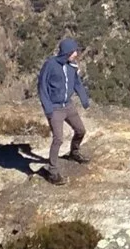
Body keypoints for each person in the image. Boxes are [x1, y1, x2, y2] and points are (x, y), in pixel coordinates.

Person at [36, 37, 92, 185]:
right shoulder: (50, 65)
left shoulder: (72, 66)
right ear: (67, 52)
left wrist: (84, 99)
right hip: (55, 108)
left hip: (68, 105)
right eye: (74, 51)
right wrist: (48, 109)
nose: (76, 54)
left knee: (80, 130)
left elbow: (77, 83)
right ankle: (52, 172)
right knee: (58, 139)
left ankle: (74, 152)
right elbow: (42, 87)